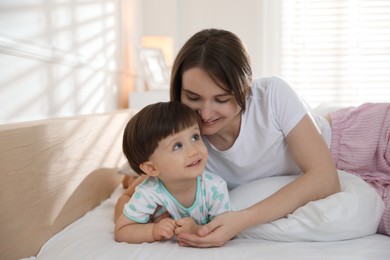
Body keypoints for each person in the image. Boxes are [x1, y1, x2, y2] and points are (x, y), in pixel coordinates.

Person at [117, 28, 390, 246]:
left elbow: (324, 177)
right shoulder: (187, 146)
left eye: (222, 98)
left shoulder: (272, 94)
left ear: (246, 89)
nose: (206, 113)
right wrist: (153, 227)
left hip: (361, 138)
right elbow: (129, 201)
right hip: (360, 188)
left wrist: (241, 220)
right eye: (193, 97)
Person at [114, 101, 231, 244]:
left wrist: (197, 229)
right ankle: (129, 178)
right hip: (149, 179)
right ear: (152, 168)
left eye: (195, 137)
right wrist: (152, 231)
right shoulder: (148, 192)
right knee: (127, 193)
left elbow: (225, 229)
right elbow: (122, 231)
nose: (194, 150)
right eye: (177, 146)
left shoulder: (215, 187)